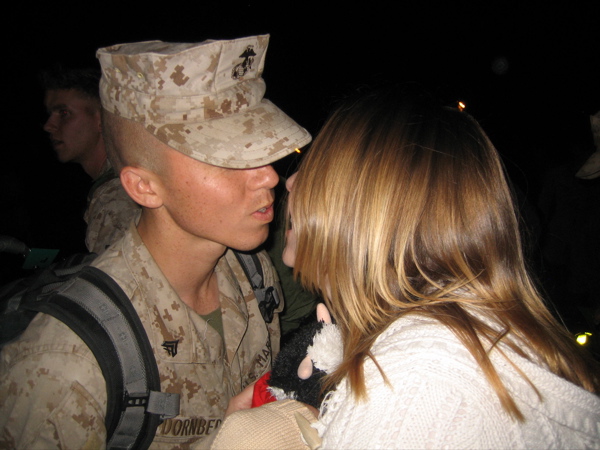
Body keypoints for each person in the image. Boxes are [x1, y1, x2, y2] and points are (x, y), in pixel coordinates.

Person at [210, 86, 600, 449]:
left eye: (321, 171)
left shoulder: (413, 388)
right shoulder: (452, 335)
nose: (290, 182)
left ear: (373, 208)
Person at [0, 35, 311, 448]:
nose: (269, 176)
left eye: (258, 148)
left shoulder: (251, 273)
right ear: (145, 187)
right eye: (224, 157)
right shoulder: (66, 366)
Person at [41, 65, 139, 254]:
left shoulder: (115, 194)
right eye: (49, 114)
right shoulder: (125, 176)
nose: (49, 126)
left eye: (63, 113)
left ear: (101, 119)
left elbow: (120, 282)